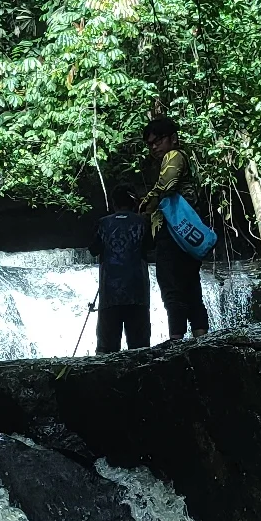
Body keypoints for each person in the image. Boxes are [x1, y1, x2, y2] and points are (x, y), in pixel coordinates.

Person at [139, 115, 210, 341]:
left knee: (172, 289)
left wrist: (147, 203)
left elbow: (167, 185)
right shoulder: (180, 158)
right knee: (190, 288)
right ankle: (201, 338)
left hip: (173, 234)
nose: (154, 147)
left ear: (173, 138)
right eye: (150, 144)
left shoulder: (174, 156)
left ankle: (176, 342)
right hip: (186, 234)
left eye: (158, 140)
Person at [91, 184, 152, 353]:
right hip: (137, 292)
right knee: (140, 349)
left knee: (106, 350)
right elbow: (150, 246)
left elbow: (93, 249)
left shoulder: (103, 224)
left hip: (110, 293)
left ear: (113, 203)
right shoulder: (143, 223)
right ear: (133, 203)